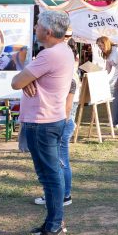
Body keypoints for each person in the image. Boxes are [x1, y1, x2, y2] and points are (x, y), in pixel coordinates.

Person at [12, 9, 76, 235]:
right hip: (49, 119)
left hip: (43, 122)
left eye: (38, 25)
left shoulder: (49, 55)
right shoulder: (63, 51)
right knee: (52, 176)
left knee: (50, 177)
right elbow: (24, 81)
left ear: (48, 31)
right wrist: (30, 80)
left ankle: (54, 228)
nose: (35, 28)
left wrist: (27, 81)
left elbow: (16, 81)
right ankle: (54, 222)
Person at [36, 31, 78, 208]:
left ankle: (62, 195)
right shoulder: (68, 71)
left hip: (61, 121)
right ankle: (62, 194)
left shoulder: (68, 76)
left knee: (59, 161)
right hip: (62, 120)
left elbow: (67, 107)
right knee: (59, 160)